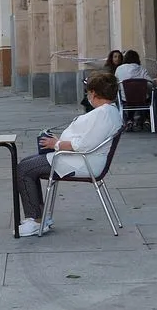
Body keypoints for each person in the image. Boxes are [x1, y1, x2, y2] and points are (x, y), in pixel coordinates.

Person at [15, 72, 122, 237]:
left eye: (88, 92)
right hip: (81, 158)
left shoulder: (102, 114)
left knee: (24, 169)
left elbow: (83, 145)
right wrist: (58, 142)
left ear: (93, 93)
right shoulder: (110, 111)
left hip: (81, 161)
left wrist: (56, 144)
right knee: (28, 163)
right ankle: (40, 217)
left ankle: (35, 220)